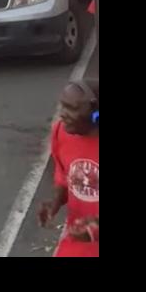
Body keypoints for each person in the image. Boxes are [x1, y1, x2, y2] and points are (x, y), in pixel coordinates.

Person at [37, 80, 99, 257]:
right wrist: (56, 200)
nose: (62, 114)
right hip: (78, 245)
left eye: (72, 108)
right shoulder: (61, 133)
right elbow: (64, 178)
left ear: (95, 113)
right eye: (62, 106)